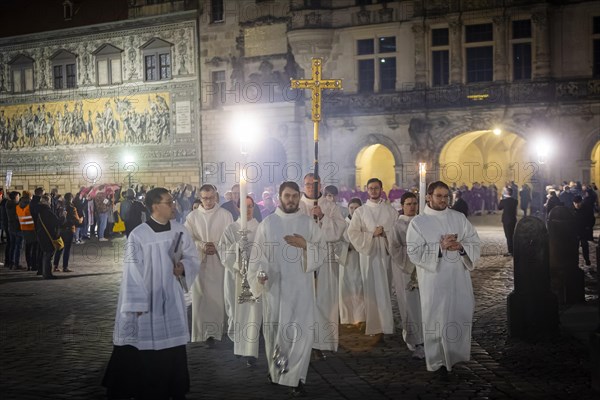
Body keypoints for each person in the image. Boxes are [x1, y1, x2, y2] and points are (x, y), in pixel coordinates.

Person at [102, 187, 200, 400]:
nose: (174, 205)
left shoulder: (179, 231)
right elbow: (132, 272)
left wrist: (183, 267)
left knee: (172, 345)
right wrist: (137, 305)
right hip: (148, 303)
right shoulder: (139, 235)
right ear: (155, 206)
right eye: (169, 202)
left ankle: (173, 388)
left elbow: (193, 258)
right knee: (145, 347)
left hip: (172, 299)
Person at [247, 181, 327, 396]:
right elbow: (258, 257)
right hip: (276, 290)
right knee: (276, 333)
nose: (290, 200)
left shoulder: (308, 223)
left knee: (301, 334)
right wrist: (260, 275)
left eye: (294, 196)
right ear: (279, 197)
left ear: (299, 197)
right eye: (286, 196)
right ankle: (278, 370)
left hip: (302, 289)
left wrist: (305, 246)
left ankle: (294, 377)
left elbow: (322, 251)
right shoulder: (268, 224)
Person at [406, 181, 481, 375]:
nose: (443, 200)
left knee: (459, 314)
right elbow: (414, 253)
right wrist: (439, 248)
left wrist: (462, 247)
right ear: (429, 197)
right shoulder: (418, 222)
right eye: (439, 196)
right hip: (434, 279)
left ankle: (456, 356)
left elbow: (474, 240)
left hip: (458, 277)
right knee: (435, 318)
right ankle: (437, 360)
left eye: (446, 196)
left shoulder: (458, 217)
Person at [347, 178, 399, 341]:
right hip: (368, 256)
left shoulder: (391, 211)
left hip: (384, 256)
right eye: (371, 188)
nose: (374, 191)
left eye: (376, 188)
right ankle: (373, 326)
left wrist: (385, 234)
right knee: (370, 290)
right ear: (367, 191)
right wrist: (371, 235)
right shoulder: (360, 212)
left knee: (384, 290)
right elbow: (353, 233)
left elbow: (397, 235)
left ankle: (386, 326)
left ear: (381, 189)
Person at [299, 174, 346, 354]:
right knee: (306, 300)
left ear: (321, 185)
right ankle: (306, 340)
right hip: (304, 259)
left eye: (314, 184)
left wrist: (323, 217)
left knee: (325, 299)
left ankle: (324, 342)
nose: (311, 187)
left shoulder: (330, 206)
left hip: (326, 261)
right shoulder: (299, 206)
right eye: (308, 184)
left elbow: (338, 231)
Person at [185, 184, 233, 345]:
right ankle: (205, 333)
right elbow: (188, 239)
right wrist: (202, 246)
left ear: (216, 196)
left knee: (220, 296)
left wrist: (217, 246)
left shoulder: (225, 215)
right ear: (200, 197)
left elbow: (231, 239)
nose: (208, 201)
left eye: (211, 197)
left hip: (220, 263)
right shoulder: (192, 217)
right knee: (202, 298)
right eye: (205, 198)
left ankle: (221, 329)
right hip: (202, 264)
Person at [219, 196, 262, 366]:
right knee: (236, 312)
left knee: (252, 314)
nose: (248, 210)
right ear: (237, 209)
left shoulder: (260, 228)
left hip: (254, 278)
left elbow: (267, 252)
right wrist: (237, 248)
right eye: (244, 207)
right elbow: (223, 252)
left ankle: (250, 351)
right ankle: (239, 344)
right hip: (235, 277)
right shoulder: (231, 228)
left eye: (251, 206)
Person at [389, 192, 424, 360]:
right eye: (408, 203)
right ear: (402, 206)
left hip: (422, 267)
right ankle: (413, 337)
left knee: (422, 304)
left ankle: (425, 337)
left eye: (414, 203)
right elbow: (394, 248)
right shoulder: (397, 225)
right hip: (404, 269)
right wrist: (409, 262)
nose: (412, 206)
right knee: (408, 303)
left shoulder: (422, 222)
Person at [337, 198, 365, 327]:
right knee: (346, 289)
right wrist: (347, 246)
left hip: (360, 260)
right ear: (348, 209)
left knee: (360, 288)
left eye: (356, 208)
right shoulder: (343, 224)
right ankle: (347, 318)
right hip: (347, 260)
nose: (354, 210)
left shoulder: (363, 224)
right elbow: (336, 242)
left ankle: (361, 317)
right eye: (351, 208)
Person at [52, 193, 83, 272]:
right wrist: (80, 220)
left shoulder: (60, 207)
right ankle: (65, 267)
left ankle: (55, 266)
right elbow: (76, 221)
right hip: (69, 230)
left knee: (59, 248)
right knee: (67, 249)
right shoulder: (72, 208)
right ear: (71, 199)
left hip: (60, 230)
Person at [35, 194, 60, 279]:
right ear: (45, 201)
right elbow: (56, 222)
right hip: (47, 235)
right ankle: (47, 274)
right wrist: (63, 216)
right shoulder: (46, 211)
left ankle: (43, 272)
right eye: (49, 200)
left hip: (41, 234)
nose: (50, 202)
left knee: (45, 254)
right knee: (48, 254)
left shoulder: (39, 210)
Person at [15, 190, 36, 271]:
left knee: (27, 248)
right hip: (32, 228)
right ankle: (34, 265)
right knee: (34, 248)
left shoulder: (17, 206)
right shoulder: (30, 205)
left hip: (23, 228)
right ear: (29, 196)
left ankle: (29, 265)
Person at [573, 195, 594, 266]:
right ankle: (575, 261)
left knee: (585, 246)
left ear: (581, 202)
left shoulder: (587, 209)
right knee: (575, 247)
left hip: (584, 231)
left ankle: (587, 259)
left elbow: (592, 219)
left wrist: (588, 227)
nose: (577, 205)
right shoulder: (571, 210)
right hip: (575, 232)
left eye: (578, 203)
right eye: (575, 203)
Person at [498, 187, 519, 257]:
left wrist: (501, 199)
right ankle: (514, 250)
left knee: (508, 236)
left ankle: (510, 251)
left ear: (507, 193)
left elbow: (499, 207)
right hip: (513, 219)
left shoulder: (504, 201)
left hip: (506, 220)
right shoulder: (515, 201)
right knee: (512, 234)